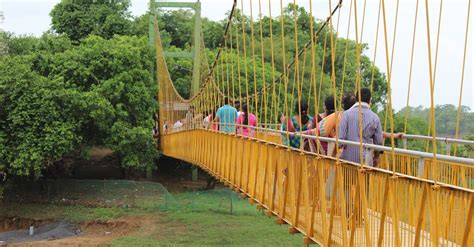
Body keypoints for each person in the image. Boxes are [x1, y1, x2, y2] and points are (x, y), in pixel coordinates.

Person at [338, 88, 383, 166]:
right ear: (370, 100)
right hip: (366, 162)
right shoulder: (375, 117)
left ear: (356, 99)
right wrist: (376, 157)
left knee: (347, 178)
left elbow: (341, 140)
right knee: (365, 178)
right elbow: (378, 142)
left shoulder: (346, 114)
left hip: (348, 161)